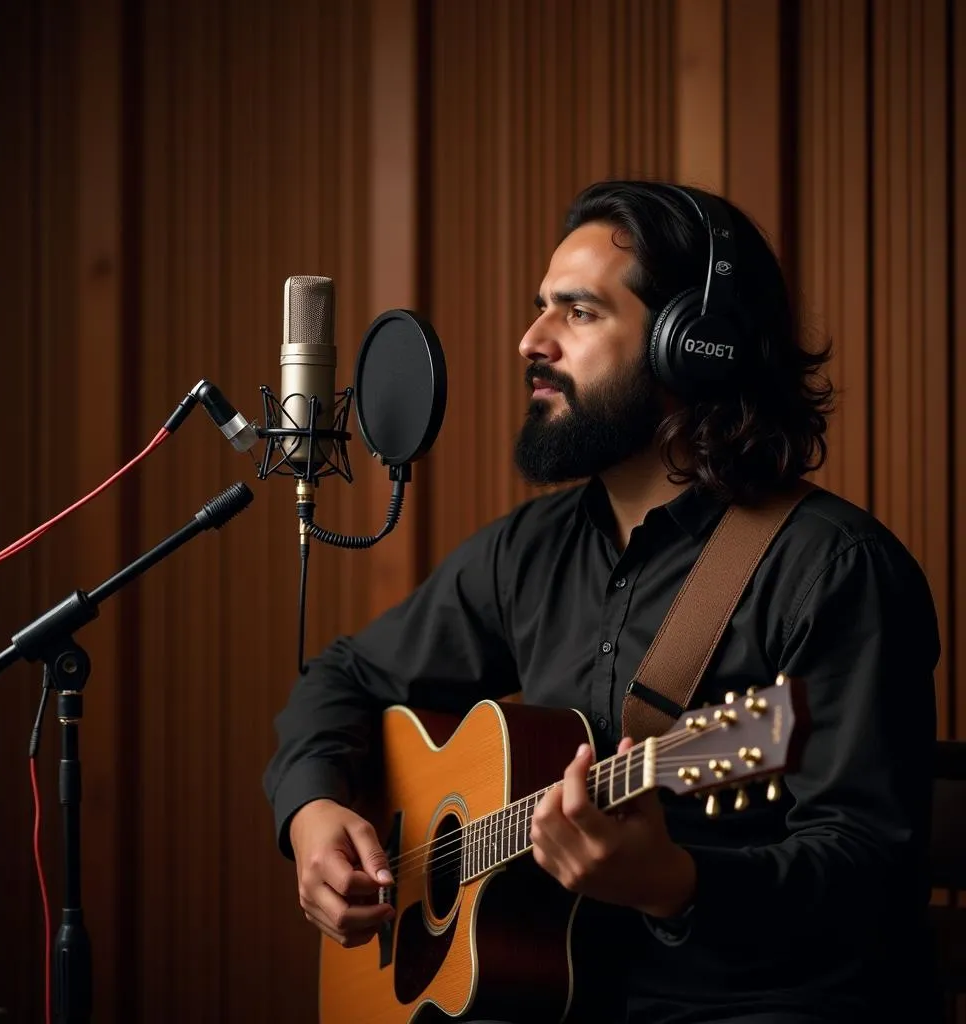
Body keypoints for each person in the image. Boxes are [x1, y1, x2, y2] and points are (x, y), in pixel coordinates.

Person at [262, 180, 940, 1023]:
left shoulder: (833, 570)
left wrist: (679, 885)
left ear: (692, 347)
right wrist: (314, 811)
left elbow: (871, 872)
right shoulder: (528, 552)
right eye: (541, 308)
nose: (529, 341)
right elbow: (345, 675)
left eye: (577, 313)